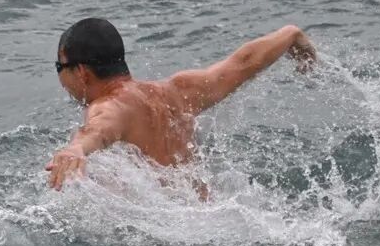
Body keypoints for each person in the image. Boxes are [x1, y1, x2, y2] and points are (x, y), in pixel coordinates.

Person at [46, 17, 316, 192]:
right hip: (206, 211)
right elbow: (242, 63)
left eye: (60, 67)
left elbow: (98, 129)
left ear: (81, 71)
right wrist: (289, 36)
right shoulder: (177, 90)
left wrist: (75, 148)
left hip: (170, 235)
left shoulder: (110, 106)